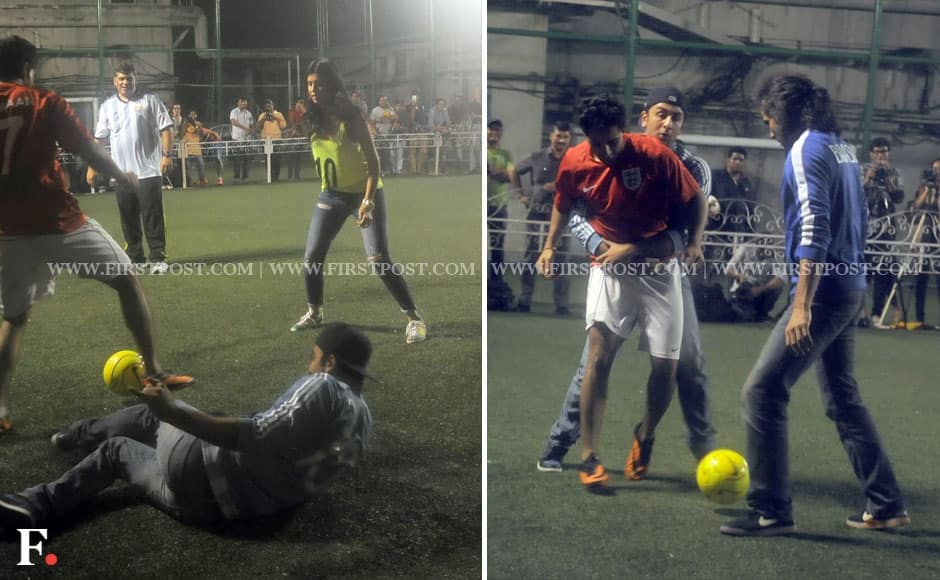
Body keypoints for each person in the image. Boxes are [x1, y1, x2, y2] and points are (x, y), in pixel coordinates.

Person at [720, 74, 908, 536]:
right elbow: (855, 221)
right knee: (843, 399)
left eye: (767, 117)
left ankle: (771, 510)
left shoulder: (805, 149)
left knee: (762, 392)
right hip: (848, 286)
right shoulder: (840, 147)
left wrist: (801, 302)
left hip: (823, 294)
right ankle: (886, 504)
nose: (766, 127)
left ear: (784, 113)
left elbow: (813, 229)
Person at [0, 322, 372, 530]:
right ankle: (44, 492)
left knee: (153, 415)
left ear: (330, 362)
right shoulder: (363, 420)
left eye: (314, 357)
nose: (309, 365)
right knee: (118, 453)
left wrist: (172, 411)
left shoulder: (324, 385)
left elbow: (256, 434)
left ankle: (69, 444)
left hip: (205, 471)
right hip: (219, 512)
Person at [0, 35, 193, 435]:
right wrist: (121, 175)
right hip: (59, 222)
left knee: (14, 317)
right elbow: (89, 148)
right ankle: (155, 371)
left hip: (6, 231)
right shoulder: (42, 100)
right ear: (26, 69)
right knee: (126, 279)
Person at [536, 87, 717, 474]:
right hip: (614, 265)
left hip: (667, 268)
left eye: (676, 117)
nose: (668, 124)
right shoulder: (585, 158)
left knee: (688, 364)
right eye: (661, 115)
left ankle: (701, 450)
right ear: (643, 118)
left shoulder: (691, 166)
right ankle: (565, 444)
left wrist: (668, 246)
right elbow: (573, 213)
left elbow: (689, 223)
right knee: (593, 362)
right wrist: (599, 247)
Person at [290, 58, 427, 344]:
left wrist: (367, 202)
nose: (313, 89)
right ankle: (315, 311)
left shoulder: (351, 116)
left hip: (365, 193)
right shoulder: (310, 117)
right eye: (310, 84)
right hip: (331, 195)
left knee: (378, 259)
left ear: (332, 85)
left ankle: (414, 318)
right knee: (312, 258)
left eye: (320, 84)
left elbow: (374, 163)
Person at [88, 61, 174, 274]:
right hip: (121, 174)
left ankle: (157, 258)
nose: (125, 82)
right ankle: (136, 257)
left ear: (136, 79)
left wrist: (167, 155)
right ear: (115, 81)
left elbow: (167, 128)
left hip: (148, 171)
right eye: (121, 79)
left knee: (152, 215)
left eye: (129, 78)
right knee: (128, 217)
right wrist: (93, 166)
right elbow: (99, 139)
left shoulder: (150, 101)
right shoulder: (107, 106)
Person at [510, 122, 573, 315]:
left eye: (565, 137)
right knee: (531, 257)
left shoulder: (574, 159)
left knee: (562, 259)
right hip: (537, 214)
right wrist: (520, 195)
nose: (561, 141)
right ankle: (524, 300)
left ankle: (561, 304)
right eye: (558, 136)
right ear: (551, 137)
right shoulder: (537, 157)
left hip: (563, 217)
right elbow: (514, 170)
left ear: (569, 139)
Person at [862, 137, 905, 328]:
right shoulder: (862, 170)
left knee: (884, 272)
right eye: (878, 152)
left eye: (885, 152)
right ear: (872, 154)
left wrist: (888, 181)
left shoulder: (895, 172)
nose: (881, 156)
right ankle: (859, 313)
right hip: (866, 230)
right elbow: (856, 193)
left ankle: (876, 313)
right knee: (863, 272)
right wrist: (868, 178)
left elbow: (899, 197)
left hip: (887, 230)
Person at [910, 158, 940, 329]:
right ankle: (919, 318)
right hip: (924, 238)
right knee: (921, 278)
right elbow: (914, 207)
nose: (938, 174)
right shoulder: (924, 188)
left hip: (938, 239)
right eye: (935, 170)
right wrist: (928, 190)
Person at [486, 119, 513, 283]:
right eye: (491, 130)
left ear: (501, 134)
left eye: (498, 130)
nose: (494, 133)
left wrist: (491, 171)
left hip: (499, 206)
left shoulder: (506, 154)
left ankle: (496, 281)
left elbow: (510, 176)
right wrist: (499, 173)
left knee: (497, 245)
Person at [180, 109, 220, 186]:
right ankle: (188, 182)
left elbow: (200, 133)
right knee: (188, 166)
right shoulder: (185, 123)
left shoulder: (198, 124)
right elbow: (182, 133)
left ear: (196, 116)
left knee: (201, 164)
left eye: (193, 114)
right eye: (190, 114)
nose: (192, 116)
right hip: (188, 147)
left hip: (196, 147)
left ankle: (202, 179)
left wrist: (213, 133)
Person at [257, 98, 287, 182]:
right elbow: (258, 128)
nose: (268, 108)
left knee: (276, 159)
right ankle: (269, 176)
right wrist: (263, 119)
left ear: (273, 106)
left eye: (270, 106)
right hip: (266, 141)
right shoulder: (262, 115)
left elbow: (283, 126)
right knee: (267, 159)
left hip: (276, 140)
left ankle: (276, 176)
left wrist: (276, 118)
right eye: (267, 106)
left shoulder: (278, 114)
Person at [229, 97, 254, 184]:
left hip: (247, 139)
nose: (244, 103)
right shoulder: (234, 111)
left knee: (246, 159)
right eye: (242, 102)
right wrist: (245, 128)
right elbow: (233, 122)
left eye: (245, 102)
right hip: (237, 139)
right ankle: (236, 178)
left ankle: (245, 177)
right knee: (237, 159)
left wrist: (250, 131)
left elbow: (251, 125)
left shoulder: (248, 113)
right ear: (238, 103)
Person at [287, 97, 308, 182]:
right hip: (293, 137)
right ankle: (290, 176)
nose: (300, 104)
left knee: (299, 157)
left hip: (301, 137)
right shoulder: (292, 111)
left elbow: (307, 119)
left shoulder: (303, 112)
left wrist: (302, 109)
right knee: (292, 157)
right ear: (296, 103)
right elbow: (292, 123)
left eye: (302, 103)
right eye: (299, 102)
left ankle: (297, 175)